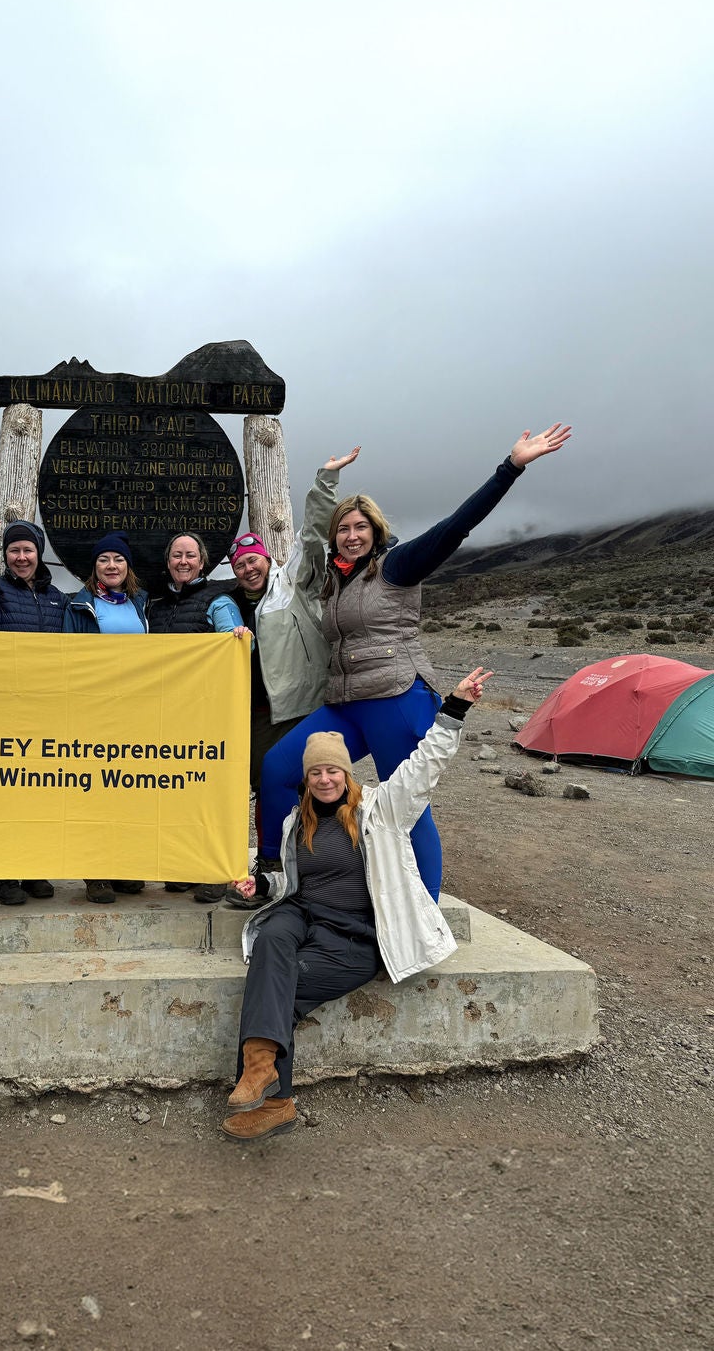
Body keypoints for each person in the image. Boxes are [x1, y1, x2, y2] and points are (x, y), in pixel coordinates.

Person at [257, 427, 571, 899]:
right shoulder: (336, 580)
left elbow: (454, 528)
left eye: (360, 527)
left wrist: (511, 467)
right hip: (344, 703)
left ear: (376, 531)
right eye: (343, 528)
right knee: (278, 768)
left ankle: (423, 907)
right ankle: (281, 873)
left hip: (396, 699)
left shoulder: (397, 567)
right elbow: (310, 532)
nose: (351, 535)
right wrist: (324, 480)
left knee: (407, 805)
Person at [219, 666, 492, 1141]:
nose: (325, 780)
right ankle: (264, 1078)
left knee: (279, 981)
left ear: (347, 773)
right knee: (272, 941)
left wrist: (454, 709)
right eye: (316, 772)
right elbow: (288, 879)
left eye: (333, 770)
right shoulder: (292, 822)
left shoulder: (382, 809)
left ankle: (272, 1090)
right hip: (300, 914)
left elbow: (425, 765)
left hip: (353, 935)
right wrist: (260, 889)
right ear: (305, 779)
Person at [219, 453, 350, 911]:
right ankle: (269, 866)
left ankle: (324, 865)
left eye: (253, 560)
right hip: (253, 714)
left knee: (313, 786)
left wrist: (325, 481)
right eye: (240, 564)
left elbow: (313, 535)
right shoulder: (227, 601)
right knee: (265, 787)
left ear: (267, 558)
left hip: (296, 709)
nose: (248, 568)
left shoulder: (292, 584)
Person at [0, 515, 68, 903]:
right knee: (5, 794)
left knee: (40, 792)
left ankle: (35, 867)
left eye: (28, 550)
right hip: (4, 707)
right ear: (5, 555)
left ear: (39, 555)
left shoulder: (58, 599)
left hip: (46, 711)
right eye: (14, 550)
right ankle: (4, 875)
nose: (21, 557)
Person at [146, 532, 249, 902]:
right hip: (165, 717)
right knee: (176, 795)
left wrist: (236, 637)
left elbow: (233, 645)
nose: (183, 561)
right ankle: (183, 866)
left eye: (191, 555)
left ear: (202, 562)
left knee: (208, 796)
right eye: (177, 555)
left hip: (206, 717)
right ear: (168, 561)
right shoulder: (155, 606)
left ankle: (213, 872)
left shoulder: (218, 601)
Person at [60, 532, 150, 902]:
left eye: (117, 559)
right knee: (95, 791)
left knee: (128, 789)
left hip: (134, 710)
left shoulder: (141, 604)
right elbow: (70, 658)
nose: (111, 566)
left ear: (127, 566)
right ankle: (95, 871)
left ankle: (124, 865)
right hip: (95, 712)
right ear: (93, 567)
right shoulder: (79, 607)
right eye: (103, 560)